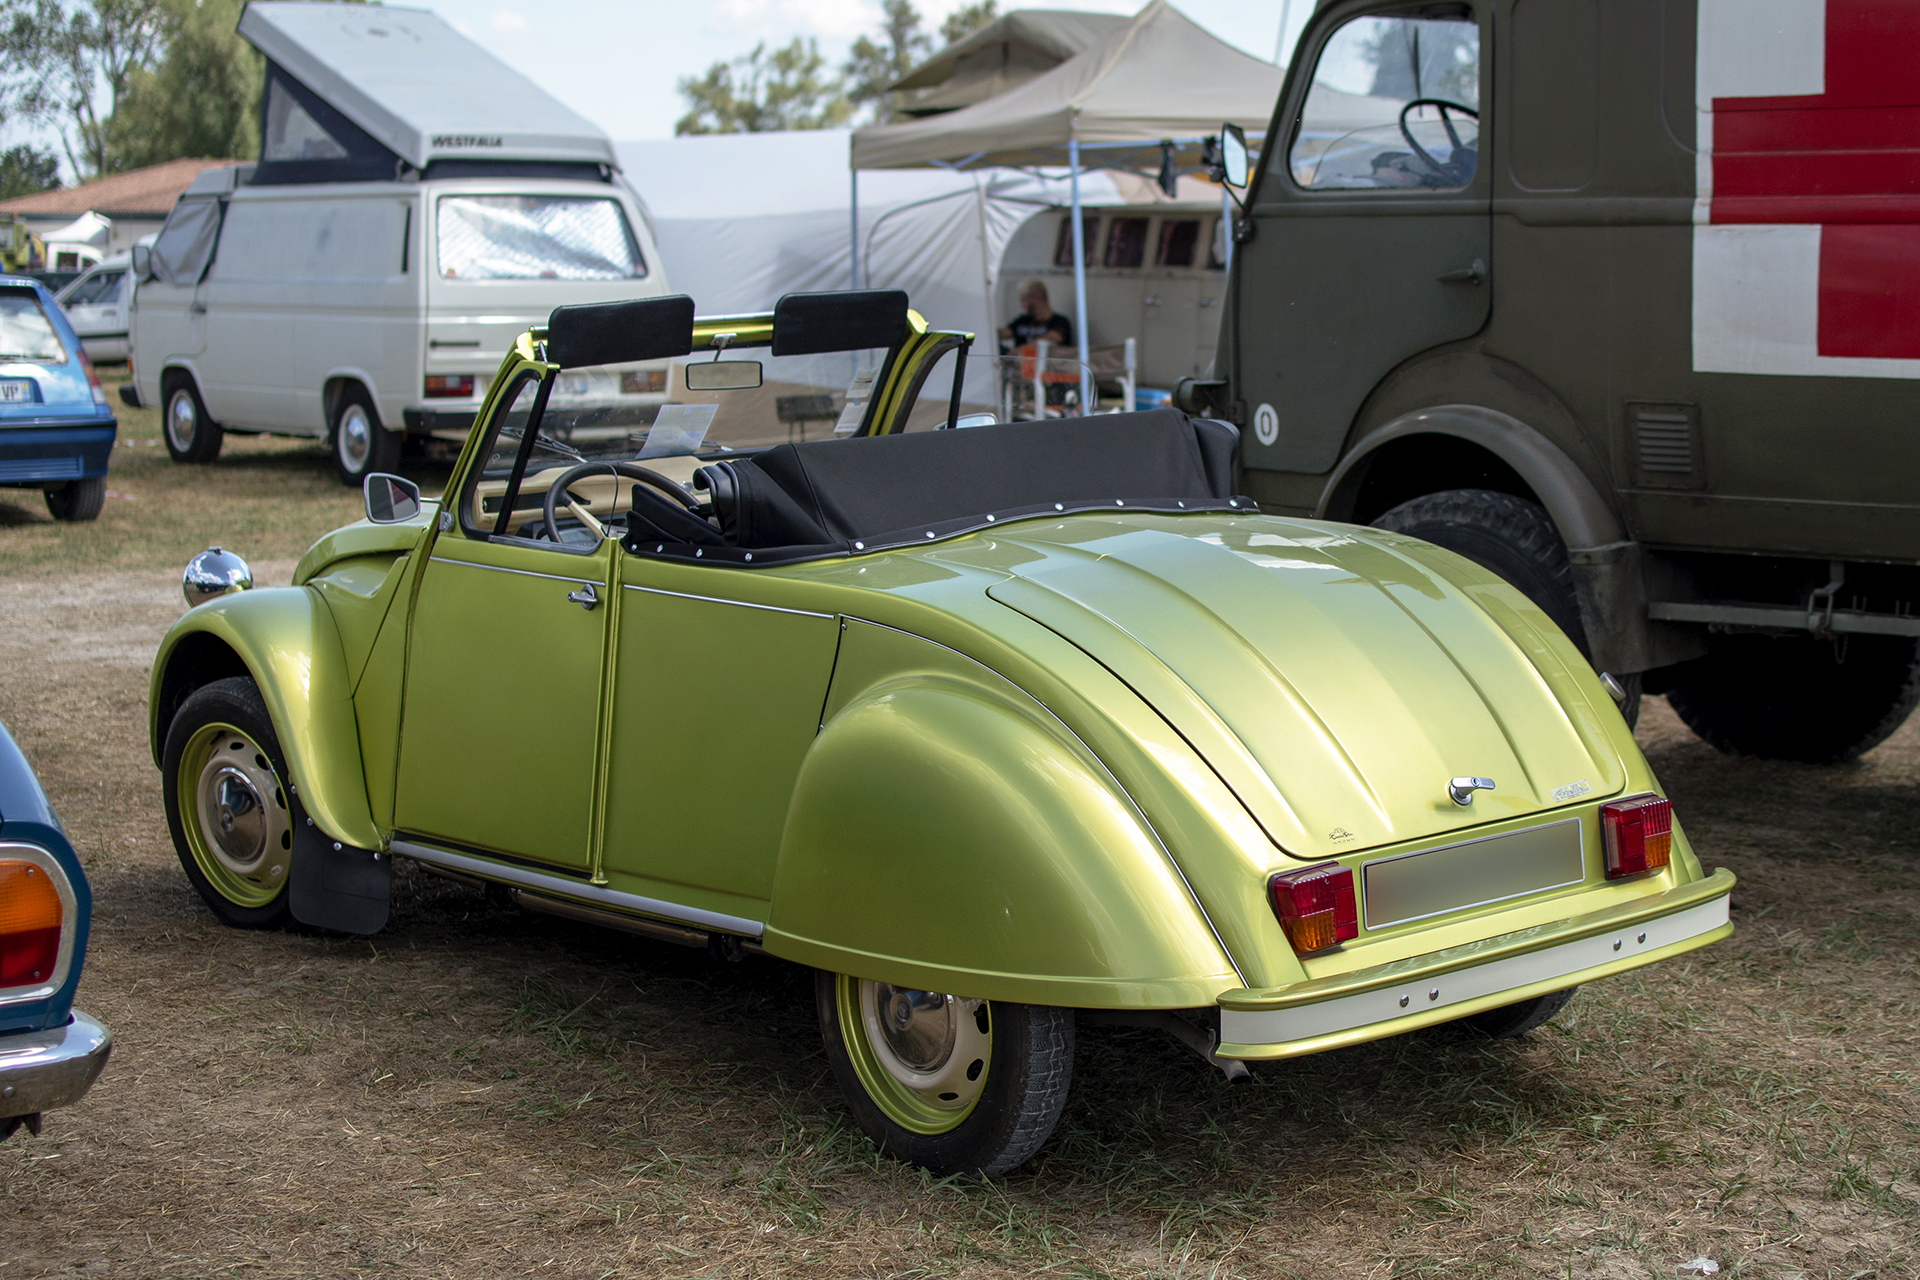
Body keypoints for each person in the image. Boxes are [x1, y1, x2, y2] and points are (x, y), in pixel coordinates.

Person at [998, 279, 1074, 352]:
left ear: (1037, 297)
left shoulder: (1060, 322)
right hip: (1023, 364)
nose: (1022, 305)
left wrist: (1021, 351)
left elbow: (1051, 338)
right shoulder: (1022, 321)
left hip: (1049, 364)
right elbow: (1003, 333)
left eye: (1024, 300)